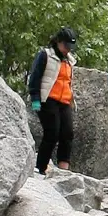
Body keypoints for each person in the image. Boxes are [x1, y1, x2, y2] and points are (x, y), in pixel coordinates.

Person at [27, 27, 77, 174]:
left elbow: (68, 81)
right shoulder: (45, 55)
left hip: (65, 101)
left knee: (67, 133)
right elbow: (35, 78)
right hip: (48, 99)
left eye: (70, 47)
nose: (68, 50)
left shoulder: (69, 60)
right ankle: (40, 167)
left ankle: (64, 169)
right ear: (58, 42)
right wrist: (35, 98)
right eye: (66, 46)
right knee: (52, 133)